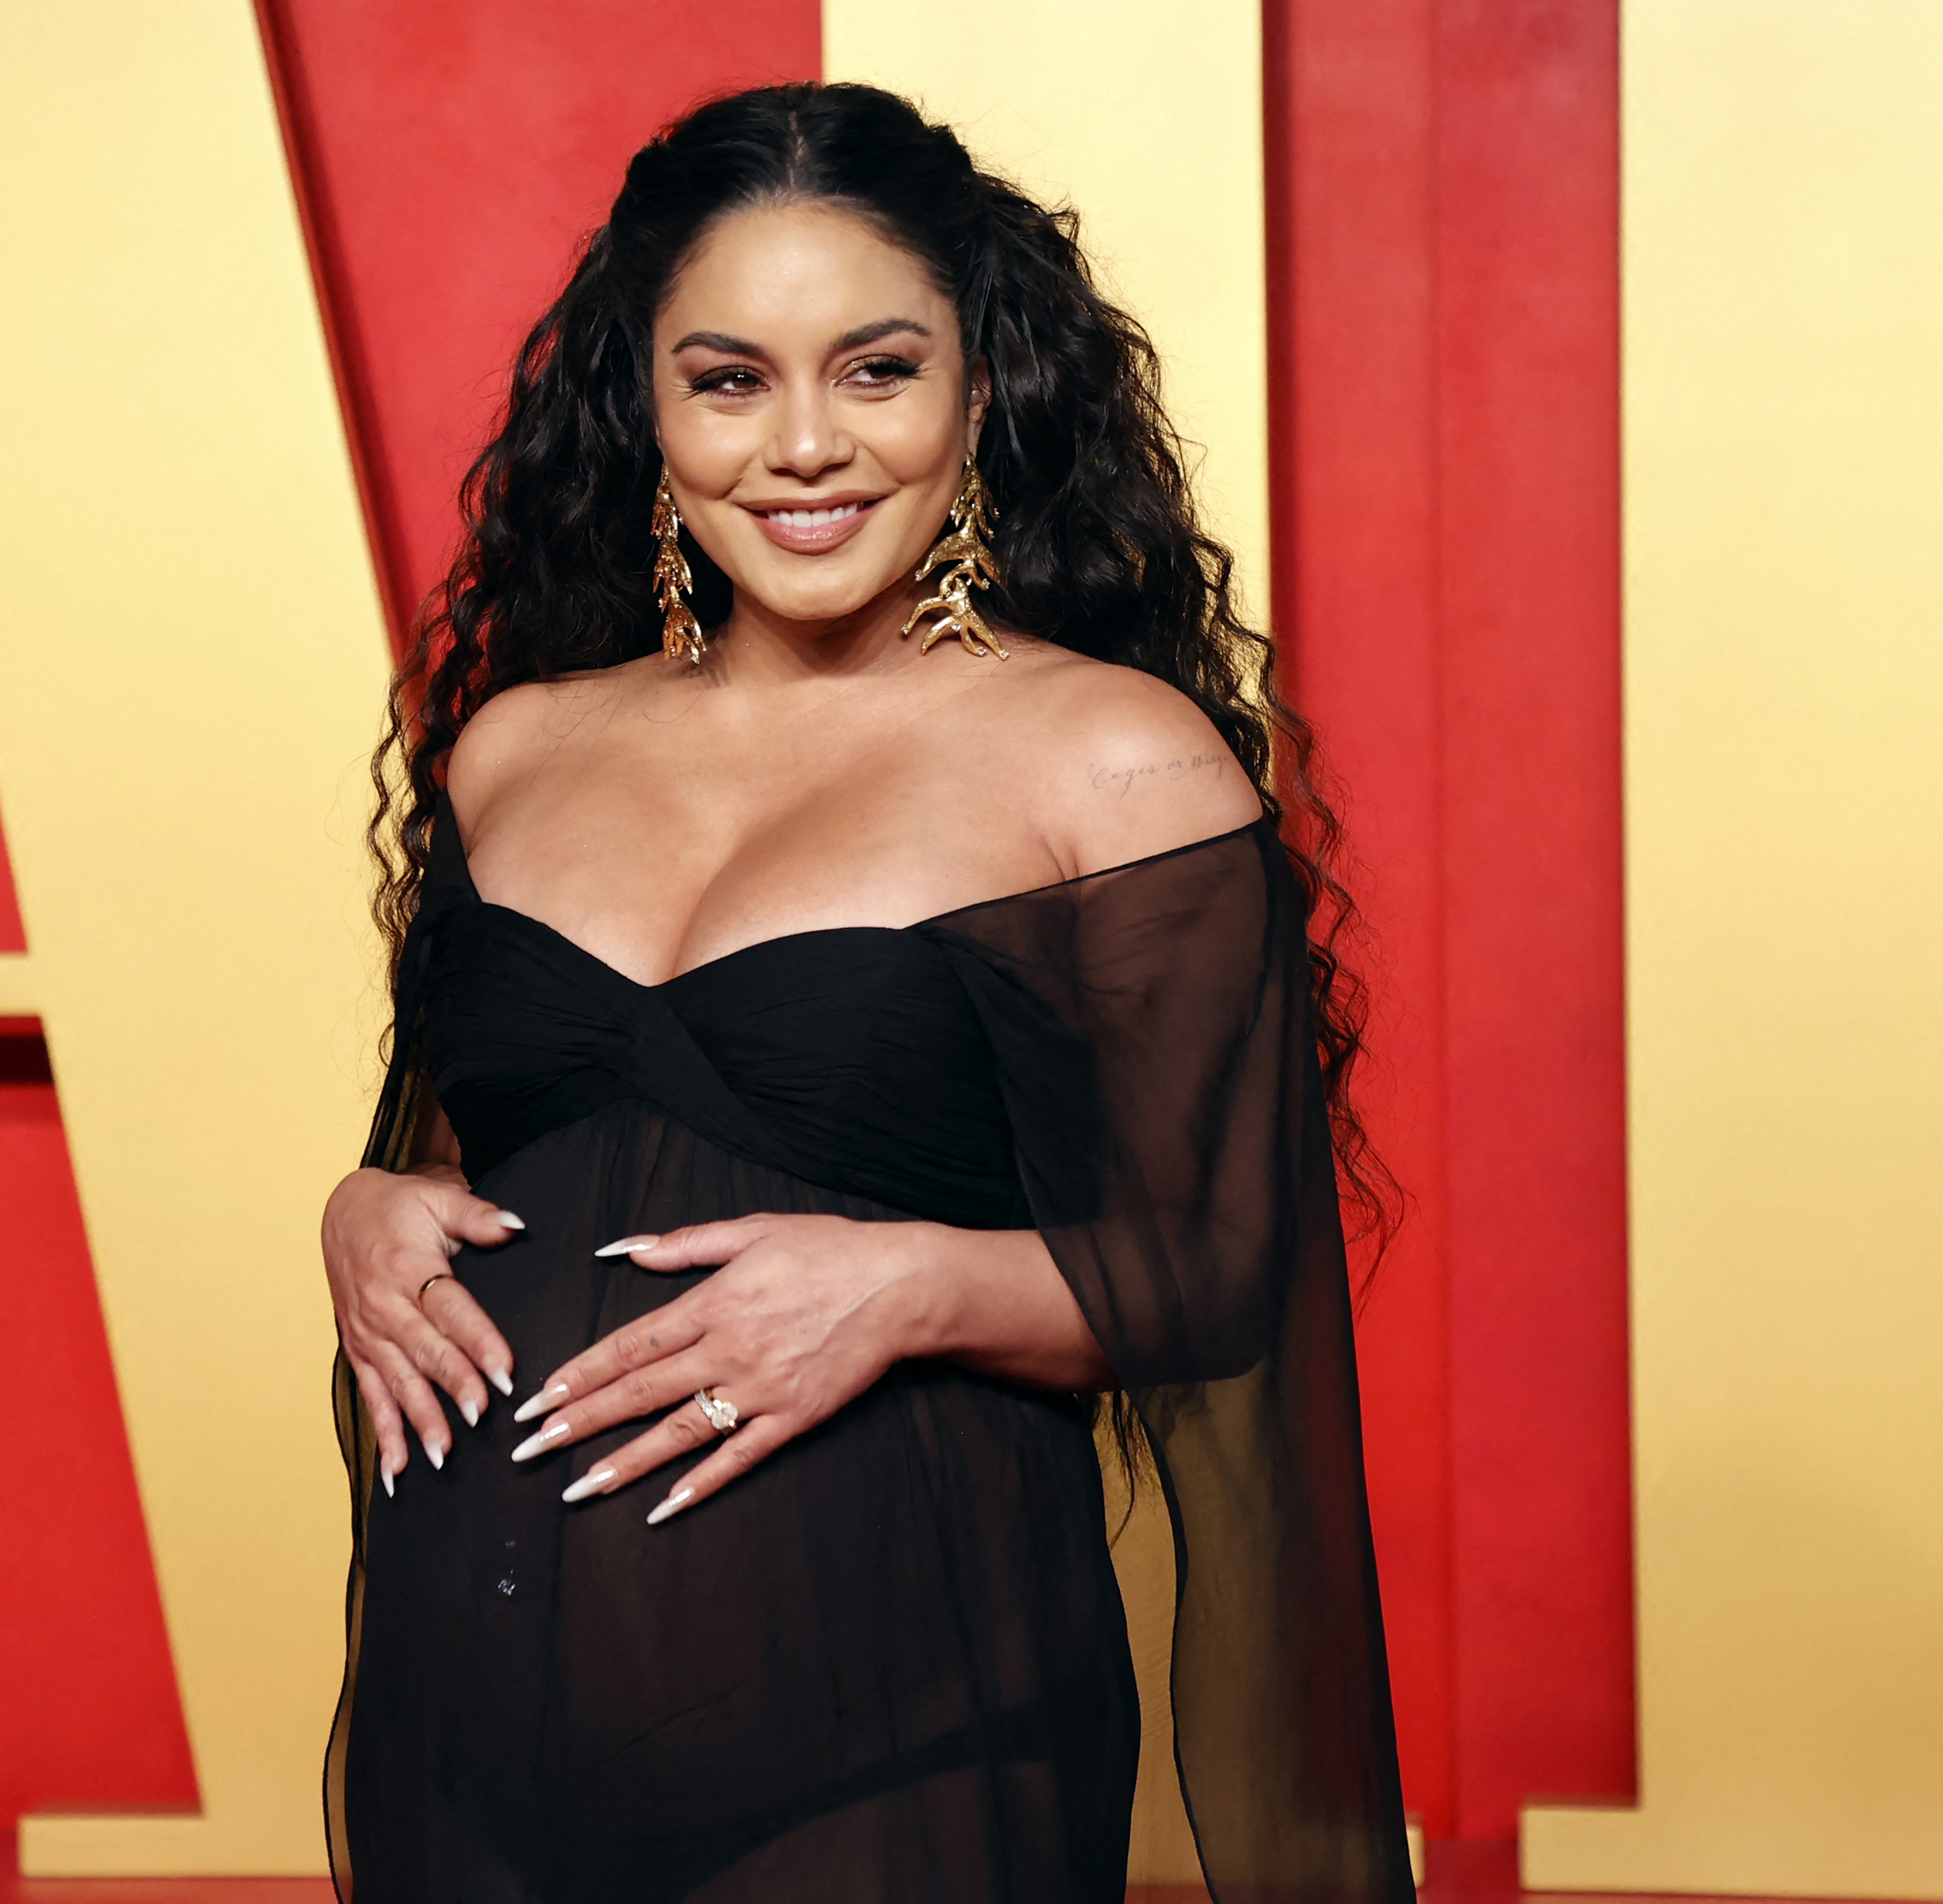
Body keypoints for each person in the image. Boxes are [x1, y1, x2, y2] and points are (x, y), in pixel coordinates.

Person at [318, 81, 1410, 1904]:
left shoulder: (1110, 763)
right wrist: (364, 1209)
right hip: (468, 1719)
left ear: (978, 391)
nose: (806, 445)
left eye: (878, 369)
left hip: (903, 1723)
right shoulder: (512, 752)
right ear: (645, 411)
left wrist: (914, 1283)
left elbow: (1226, 1266)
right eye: (730, 378)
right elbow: (469, 1163)